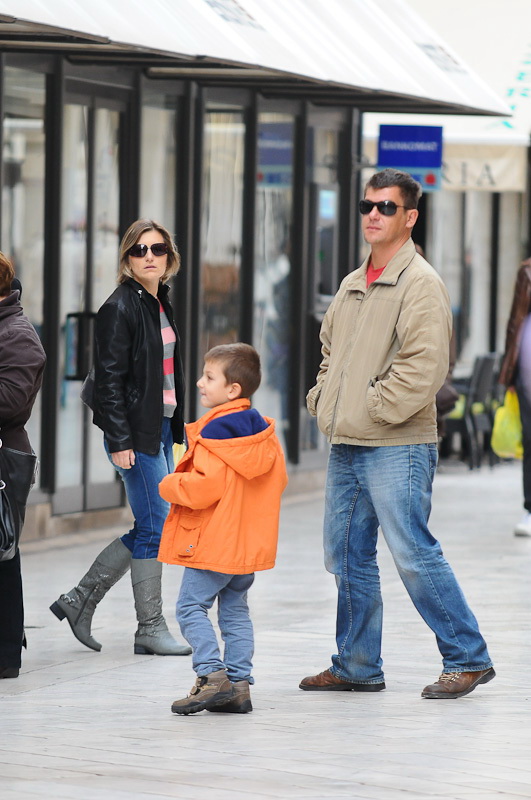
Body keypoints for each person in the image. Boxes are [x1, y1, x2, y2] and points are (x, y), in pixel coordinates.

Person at [300, 168, 494, 699]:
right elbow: (329, 350)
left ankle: (467, 657)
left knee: (412, 552)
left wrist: (371, 408)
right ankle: (357, 664)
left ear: (409, 217)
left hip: (397, 443)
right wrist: (324, 399)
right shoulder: (352, 282)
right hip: (347, 442)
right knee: (345, 555)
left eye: (386, 207)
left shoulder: (421, 283)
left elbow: (424, 367)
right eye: (367, 205)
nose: (373, 215)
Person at [50, 219, 191, 656]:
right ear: (127, 259)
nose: (149, 256)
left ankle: (79, 600)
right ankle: (149, 626)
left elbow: (165, 375)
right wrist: (119, 440)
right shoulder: (119, 306)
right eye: (139, 250)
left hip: (160, 428)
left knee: (155, 522)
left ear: (169, 257)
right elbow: (109, 381)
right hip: (136, 433)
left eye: (158, 249)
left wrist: (177, 430)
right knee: (156, 524)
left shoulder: (159, 301)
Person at [158, 343, 288, 714]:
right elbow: (278, 482)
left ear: (233, 389)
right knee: (235, 611)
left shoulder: (215, 435)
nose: (200, 382)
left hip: (214, 541)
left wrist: (169, 483)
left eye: (209, 377)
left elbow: (204, 489)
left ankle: (211, 675)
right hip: (245, 544)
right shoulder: (264, 434)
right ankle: (239, 685)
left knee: (190, 608)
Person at [0, 255, 46, 679]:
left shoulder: (18, 335)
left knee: (2, 550)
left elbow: (11, 402)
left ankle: (5, 654)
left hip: (3, 461)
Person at [499, 258, 531, 536]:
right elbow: (514, 322)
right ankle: (530, 509)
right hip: (526, 370)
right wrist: (509, 374)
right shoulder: (527, 271)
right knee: (530, 440)